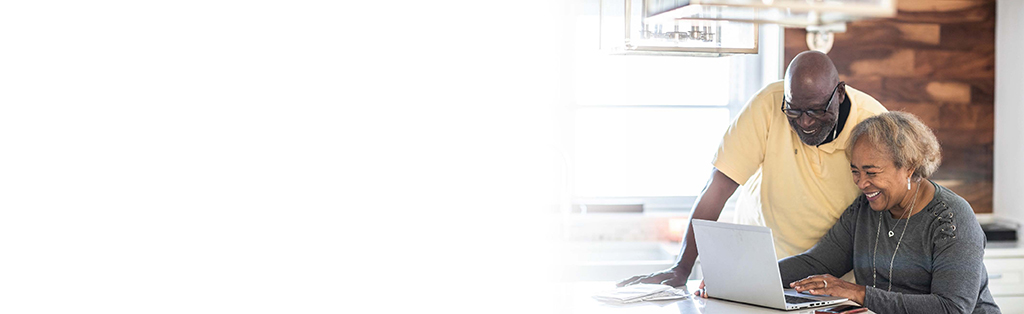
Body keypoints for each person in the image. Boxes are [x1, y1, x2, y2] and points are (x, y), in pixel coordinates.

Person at [618, 51, 887, 288]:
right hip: (763, 263)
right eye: (794, 110)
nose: (805, 122)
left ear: (839, 93)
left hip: (836, 278)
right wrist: (682, 268)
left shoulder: (873, 123)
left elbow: (893, 207)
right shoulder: (768, 105)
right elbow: (718, 188)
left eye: (816, 111)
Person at [778, 112, 1000, 313]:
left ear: (909, 167)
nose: (862, 183)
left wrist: (858, 293)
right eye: (855, 171)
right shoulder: (862, 211)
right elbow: (816, 263)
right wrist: (755, 274)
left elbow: (951, 308)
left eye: (871, 173)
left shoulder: (952, 219)